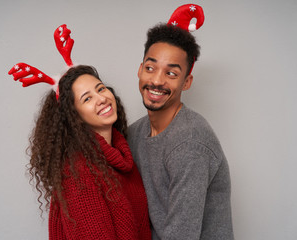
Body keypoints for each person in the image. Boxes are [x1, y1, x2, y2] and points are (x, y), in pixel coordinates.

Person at [128, 23, 234, 239]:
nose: (157, 80)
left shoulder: (190, 143)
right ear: (140, 70)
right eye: (150, 68)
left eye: (171, 73)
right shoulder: (134, 133)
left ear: (186, 82)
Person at [27, 65, 151, 239]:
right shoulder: (78, 174)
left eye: (100, 89)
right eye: (87, 99)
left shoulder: (122, 156)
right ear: (75, 116)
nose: (101, 98)